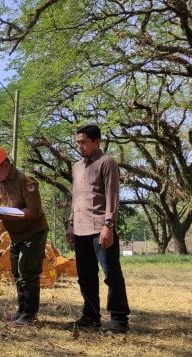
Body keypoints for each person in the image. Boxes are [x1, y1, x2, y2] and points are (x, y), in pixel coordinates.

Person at [66, 124, 130, 333]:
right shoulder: (76, 166)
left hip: (100, 228)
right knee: (85, 275)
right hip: (80, 230)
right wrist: (70, 223)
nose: (80, 146)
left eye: (84, 142)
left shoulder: (106, 162)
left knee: (111, 274)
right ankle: (90, 315)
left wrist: (109, 226)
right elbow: (76, 198)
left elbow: (113, 196)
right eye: (78, 143)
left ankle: (119, 319)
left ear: (97, 142)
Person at [0, 144, 49, 326]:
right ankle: (21, 311)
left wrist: (10, 213)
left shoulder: (25, 181)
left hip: (33, 231)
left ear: (5, 165)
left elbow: (34, 211)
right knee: (17, 273)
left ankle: (29, 315)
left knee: (28, 272)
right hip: (15, 234)